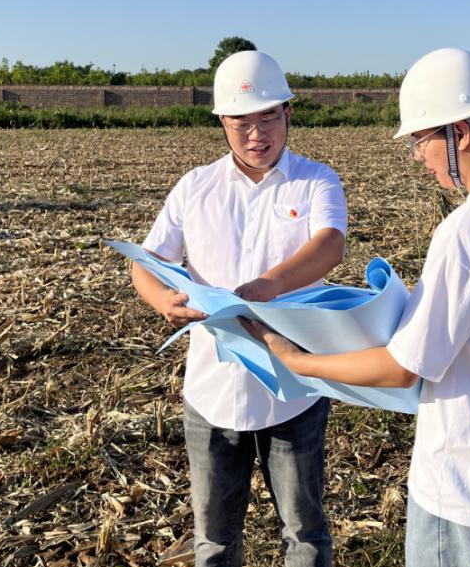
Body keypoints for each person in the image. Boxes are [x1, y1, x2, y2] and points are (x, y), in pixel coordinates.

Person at [245, 47, 470, 567]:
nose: (419, 156)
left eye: (421, 139)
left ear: (459, 133)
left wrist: (299, 362)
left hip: (468, 495)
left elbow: (405, 368)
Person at [132, 50, 347, 567]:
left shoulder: (316, 180)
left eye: (268, 117)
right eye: (241, 122)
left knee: (304, 532)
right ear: (222, 123)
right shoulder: (195, 186)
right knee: (214, 539)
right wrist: (163, 300)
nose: (256, 134)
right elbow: (147, 263)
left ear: (288, 113)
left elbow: (329, 245)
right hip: (212, 389)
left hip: (293, 388)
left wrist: (269, 285)